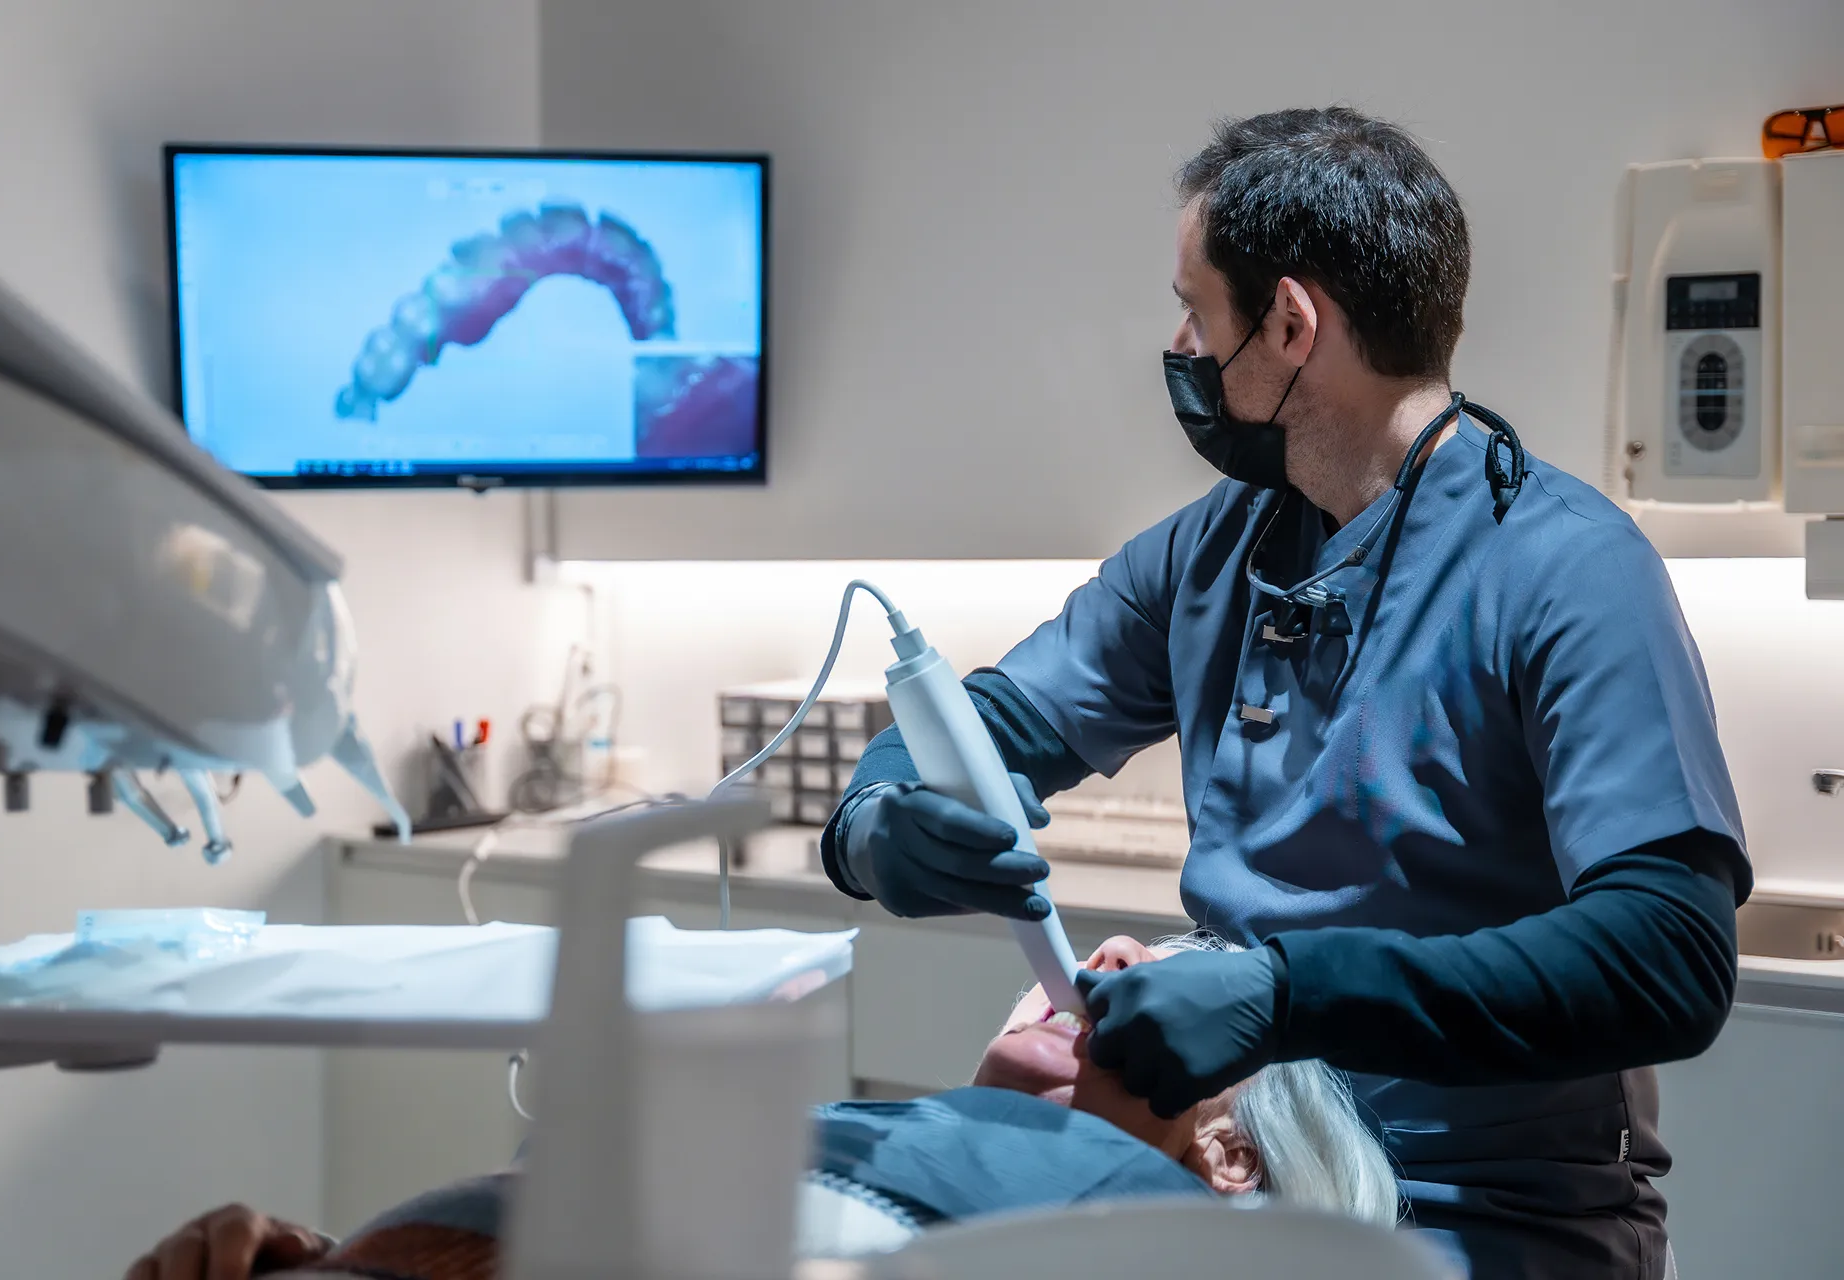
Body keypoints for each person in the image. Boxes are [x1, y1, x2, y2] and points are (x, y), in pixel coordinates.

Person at [819, 107, 1748, 1280]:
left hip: (1481, 1215)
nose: (1183, 345)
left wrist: (1286, 992)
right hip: (1226, 1181)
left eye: (1198, 312)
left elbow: (1665, 955)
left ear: (1292, 323)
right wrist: (877, 819)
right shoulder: (1214, 554)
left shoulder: (1566, 569)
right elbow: (994, 721)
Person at [121, 935, 1398, 1280]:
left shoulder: (1143, 1231)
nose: (1102, 956)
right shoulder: (912, 1151)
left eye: (1173, 984)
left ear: (1226, 1154)